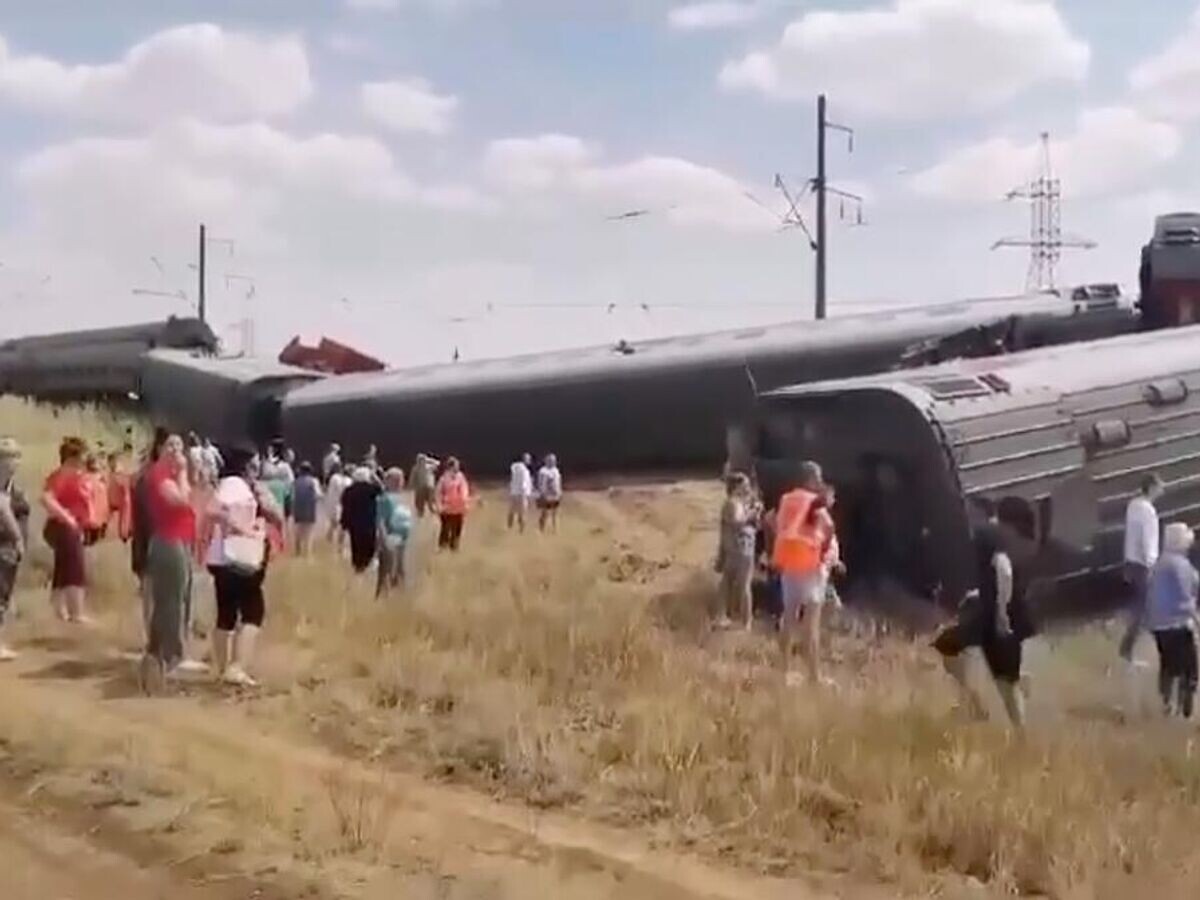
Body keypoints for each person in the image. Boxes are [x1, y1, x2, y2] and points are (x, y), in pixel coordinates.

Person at [933, 498, 1035, 730]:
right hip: (998, 614)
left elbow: (1004, 570)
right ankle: (988, 709)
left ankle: (980, 705)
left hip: (994, 617)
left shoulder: (986, 534)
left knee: (1003, 682)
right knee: (1004, 681)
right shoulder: (1002, 537)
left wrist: (1001, 612)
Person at [206, 448, 281, 687]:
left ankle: (223, 669)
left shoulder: (239, 485)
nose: (258, 467)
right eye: (255, 463)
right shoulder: (234, 484)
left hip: (224, 558)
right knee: (253, 612)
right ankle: (237, 667)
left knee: (226, 614)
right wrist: (241, 528)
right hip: (239, 558)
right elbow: (212, 509)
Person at [139, 434, 197, 695]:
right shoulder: (159, 475)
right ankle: (173, 655)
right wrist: (183, 473)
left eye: (179, 445)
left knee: (173, 598)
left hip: (180, 540)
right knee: (172, 600)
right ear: (160, 449)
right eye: (170, 445)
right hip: (168, 541)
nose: (175, 449)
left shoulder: (170, 475)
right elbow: (179, 501)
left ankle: (156, 652)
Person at [771, 461, 838, 685]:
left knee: (788, 618)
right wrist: (826, 552)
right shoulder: (815, 502)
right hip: (811, 566)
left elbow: (774, 522)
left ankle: (784, 672)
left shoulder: (786, 500)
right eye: (818, 477)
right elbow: (829, 528)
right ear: (810, 479)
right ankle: (814, 676)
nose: (820, 481)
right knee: (811, 625)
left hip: (790, 565)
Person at [1146, 522, 1200, 718]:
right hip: (1177, 624)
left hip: (1157, 624)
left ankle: (1166, 702)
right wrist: (1196, 619)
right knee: (1189, 667)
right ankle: (1184, 707)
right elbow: (1186, 597)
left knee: (1168, 664)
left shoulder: (1160, 563)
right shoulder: (1180, 565)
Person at [42, 436, 92, 624]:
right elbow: (47, 498)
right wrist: (68, 517)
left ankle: (60, 610)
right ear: (73, 457)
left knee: (63, 569)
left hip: (69, 527)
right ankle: (76, 612)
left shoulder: (75, 475)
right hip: (64, 527)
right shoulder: (64, 475)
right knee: (75, 570)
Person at [1121, 474, 1165, 664]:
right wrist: (1152, 565)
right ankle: (1127, 650)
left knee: (1140, 607)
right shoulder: (1148, 511)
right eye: (1160, 487)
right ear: (1152, 488)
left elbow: (1131, 536)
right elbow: (1148, 540)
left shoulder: (1133, 505)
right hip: (1143, 565)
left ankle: (1129, 648)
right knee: (1142, 610)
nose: (1162, 490)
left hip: (1131, 561)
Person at [131, 429, 170, 639]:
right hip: (153, 542)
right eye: (172, 446)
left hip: (153, 541)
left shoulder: (150, 474)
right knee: (153, 594)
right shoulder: (152, 477)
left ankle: (156, 640)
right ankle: (154, 642)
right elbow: (148, 517)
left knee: (156, 595)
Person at [716, 473, 759, 630]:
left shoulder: (736, 503)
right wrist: (752, 514)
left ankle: (723, 616)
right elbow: (737, 521)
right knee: (743, 585)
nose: (748, 488)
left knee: (727, 584)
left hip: (735, 548)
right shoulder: (734, 504)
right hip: (741, 549)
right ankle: (746, 622)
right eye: (745, 485)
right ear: (737, 486)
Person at [0, 439, 29, 662]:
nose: (13, 462)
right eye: (8, 457)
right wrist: (18, 538)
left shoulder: (13, 487)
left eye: (16, 456)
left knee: (5, 594)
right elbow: (3, 510)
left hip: (9, 549)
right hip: (4, 545)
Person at [376, 468, 413, 598]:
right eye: (395, 480)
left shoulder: (403, 498)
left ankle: (399, 599)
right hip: (389, 540)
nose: (399, 483)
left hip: (402, 541)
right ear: (387, 482)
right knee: (386, 572)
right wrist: (384, 541)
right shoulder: (384, 499)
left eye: (400, 480)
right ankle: (383, 598)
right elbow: (380, 522)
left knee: (400, 571)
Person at [341, 466, 383, 574]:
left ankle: (358, 568)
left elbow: (345, 506)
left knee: (356, 546)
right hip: (368, 522)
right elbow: (382, 489)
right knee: (369, 545)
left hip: (354, 524)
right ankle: (367, 567)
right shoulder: (370, 488)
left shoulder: (348, 490)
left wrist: (344, 523)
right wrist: (375, 477)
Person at [436, 457, 470, 551]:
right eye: (456, 465)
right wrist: (439, 505)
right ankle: (443, 545)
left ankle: (454, 545)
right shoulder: (443, 478)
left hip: (458, 508)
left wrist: (465, 502)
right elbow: (439, 492)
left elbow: (464, 490)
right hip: (446, 508)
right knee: (445, 528)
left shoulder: (461, 477)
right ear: (450, 467)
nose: (458, 467)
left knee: (457, 527)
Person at [291, 462, 322, 557]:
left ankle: (297, 553)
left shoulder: (295, 482)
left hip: (297, 511)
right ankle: (307, 555)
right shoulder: (314, 481)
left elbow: (292, 497)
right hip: (309, 510)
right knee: (309, 535)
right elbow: (318, 495)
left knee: (297, 533)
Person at [82, 453, 109, 545]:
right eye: (92, 462)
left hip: (98, 500)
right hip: (93, 500)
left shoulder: (99, 475)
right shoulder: (86, 475)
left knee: (97, 518)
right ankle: (91, 536)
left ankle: (94, 535)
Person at [106, 451, 133, 542]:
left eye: (113, 461)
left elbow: (125, 485)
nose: (111, 464)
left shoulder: (121, 472)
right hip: (116, 497)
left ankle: (125, 532)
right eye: (110, 462)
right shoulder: (112, 473)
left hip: (123, 497)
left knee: (125, 514)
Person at [325, 462, 352, 549]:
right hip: (337, 504)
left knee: (336, 524)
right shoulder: (338, 479)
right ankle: (336, 545)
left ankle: (331, 543)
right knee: (337, 524)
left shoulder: (338, 479)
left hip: (338, 504)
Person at [536, 453, 563, 533]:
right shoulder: (543, 471)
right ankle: (541, 529)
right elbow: (541, 483)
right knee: (545, 513)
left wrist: (559, 492)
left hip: (555, 495)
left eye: (553, 460)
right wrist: (542, 493)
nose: (552, 462)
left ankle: (555, 529)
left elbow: (558, 482)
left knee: (555, 513)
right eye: (550, 460)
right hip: (546, 495)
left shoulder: (556, 470)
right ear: (546, 461)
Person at [508, 453, 534, 532]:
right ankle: (521, 530)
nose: (529, 461)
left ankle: (509, 527)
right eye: (528, 459)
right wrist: (528, 494)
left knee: (512, 511)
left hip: (514, 492)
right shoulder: (525, 471)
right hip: (522, 494)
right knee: (522, 513)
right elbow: (524, 484)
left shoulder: (515, 467)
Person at [410, 454, 437, 518]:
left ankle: (432, 510)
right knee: (420, 502)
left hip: (429, 487)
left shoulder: (429, 467)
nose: (422, 461)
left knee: (431, 501)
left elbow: (436, 466)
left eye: (423, 460)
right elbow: (412, 478)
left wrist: (430, 460)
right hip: (420, 487)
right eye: (420, 460)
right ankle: (420, 513)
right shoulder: (415, 468)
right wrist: (412, 485)